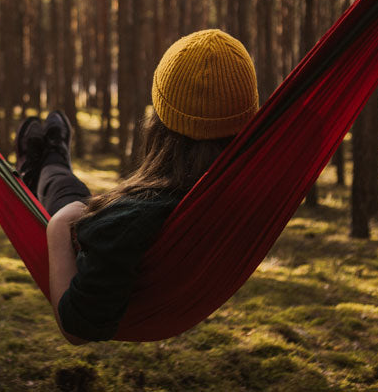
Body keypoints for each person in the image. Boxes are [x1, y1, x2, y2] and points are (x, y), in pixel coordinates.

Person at [14, 29, 260, 344]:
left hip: (104, 242)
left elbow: (77, 327)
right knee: (72, 193)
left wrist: (60, 226)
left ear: (159, 119)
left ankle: (46, 162)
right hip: (149, 232)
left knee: (67, 199)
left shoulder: (125, 224)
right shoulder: (251, 186)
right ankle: (52, 160)